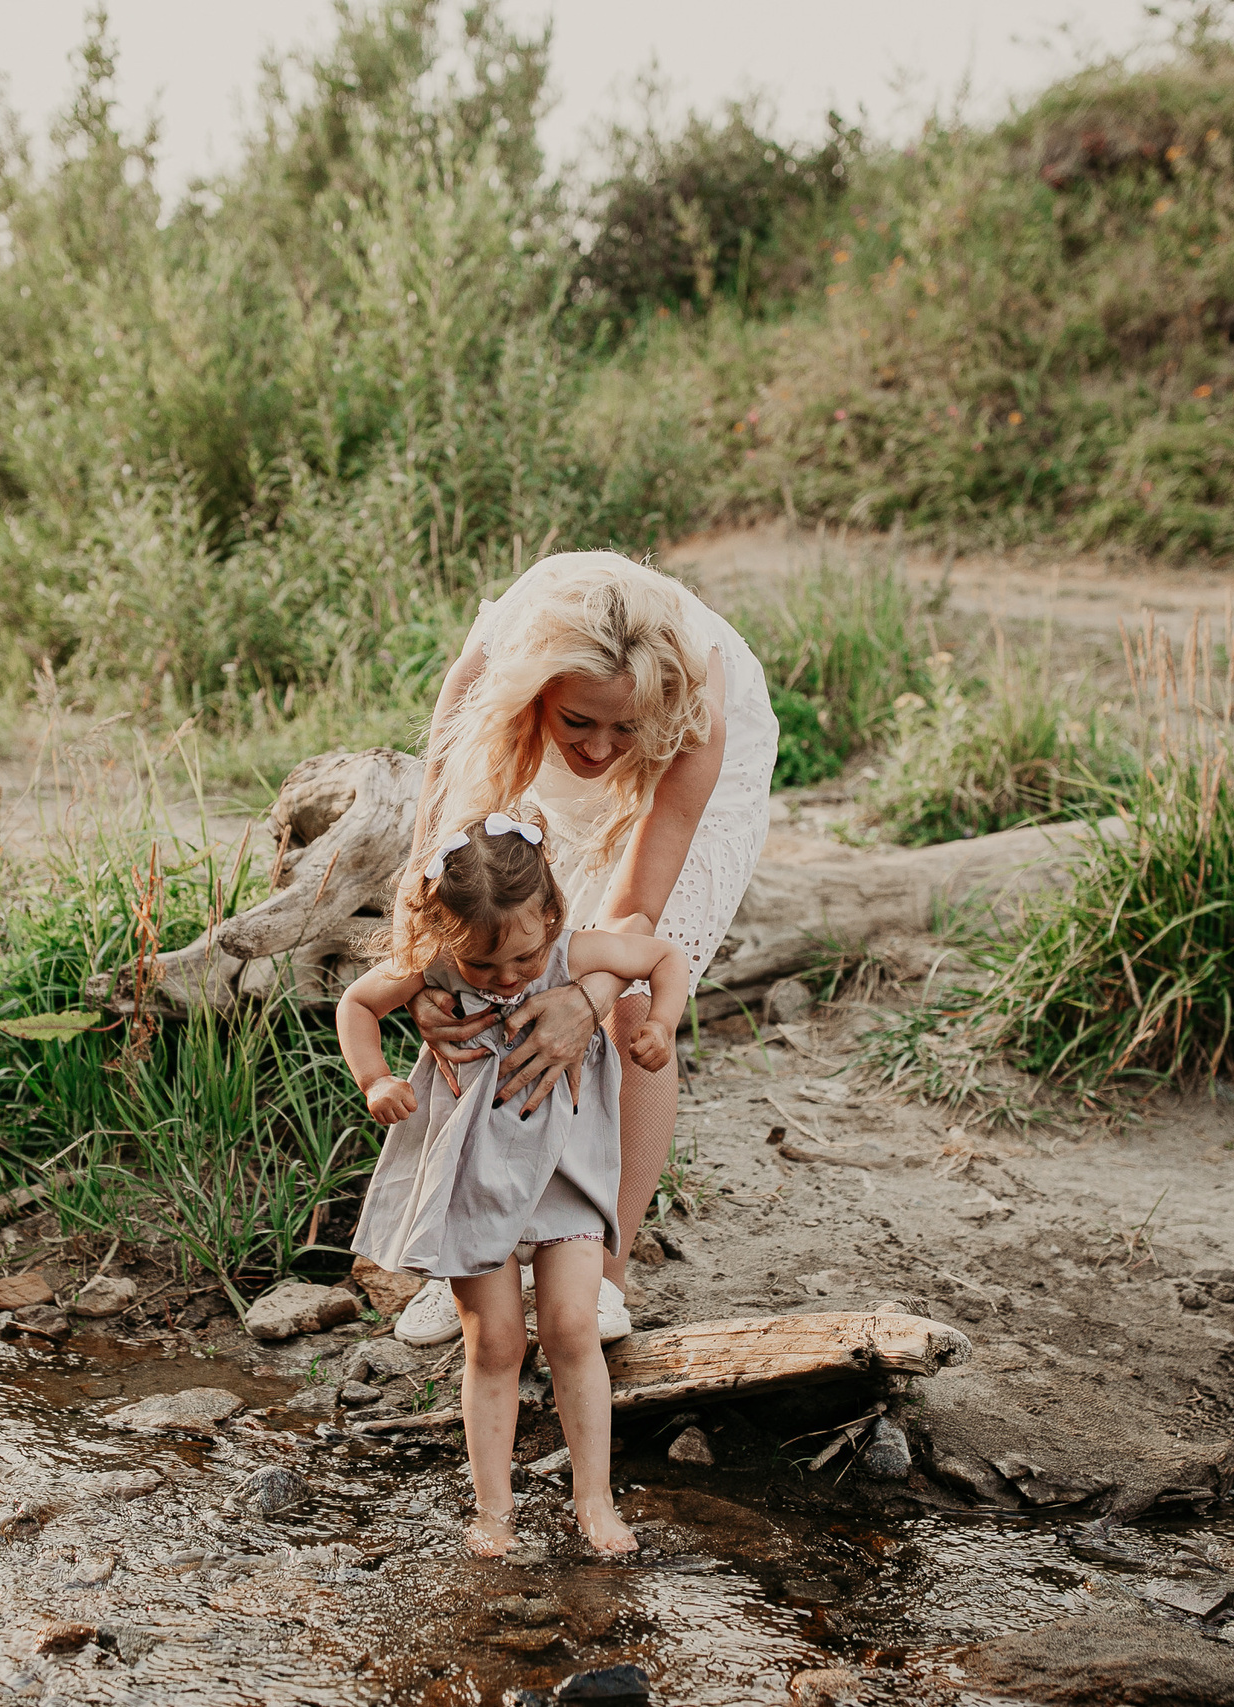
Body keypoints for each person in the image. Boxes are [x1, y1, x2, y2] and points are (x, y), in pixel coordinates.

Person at [388, 552, 777, 1351]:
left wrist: (589, 997)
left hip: (689, 770)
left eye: (618, 729)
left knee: (629, 1005)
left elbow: (635, 915)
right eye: (579, 723)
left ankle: (603, 1269)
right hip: (529, 735)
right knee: (491, 963)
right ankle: (469, 1249)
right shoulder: (496, 679)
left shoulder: (694, 712)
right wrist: (422, 976)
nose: (599, 751)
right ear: (540, 696)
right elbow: (433, 868)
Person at [339, 809, 690, 1556]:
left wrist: (660, 1022)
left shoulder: (572, 951)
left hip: (566, 1172)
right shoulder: (433, 964)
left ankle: (594, 1499)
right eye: (483, 965)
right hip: (475, 1179)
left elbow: (665, 956)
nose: (507, 978)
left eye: (524, 958)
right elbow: (357, 1003)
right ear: (444, 937)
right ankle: (493, 1509)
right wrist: (374, 1079)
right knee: (494, 1341)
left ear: (551, 914)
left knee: (572, 1326)